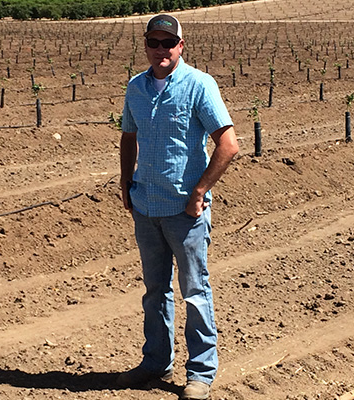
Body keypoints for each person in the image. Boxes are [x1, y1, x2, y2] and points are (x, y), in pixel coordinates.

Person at [117, 14, 239, 400]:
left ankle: (201, 373)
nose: (161, 50)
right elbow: (128, 135)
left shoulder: (200, 85)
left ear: (180, 47)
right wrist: (125, 181)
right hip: (145, 206)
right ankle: (156, 361)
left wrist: (200, 192)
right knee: (155, 291)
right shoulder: (136, 87)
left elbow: (228, 143)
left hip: (185, 213)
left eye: (168, 43)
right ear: (146, 45)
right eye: (154, 42)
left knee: (194, 291)